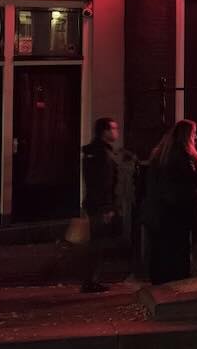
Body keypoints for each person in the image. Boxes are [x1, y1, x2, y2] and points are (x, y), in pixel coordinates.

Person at [143, 119, 197, 285]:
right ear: (187, 136)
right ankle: (177, 281)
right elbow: (186, 183)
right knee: (178, 249)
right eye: (193, 134)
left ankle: (159, 279)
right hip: (177, 212)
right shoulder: (182, 156)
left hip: (159, 211)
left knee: (160, 248)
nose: (196, 137)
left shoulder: (161, 154)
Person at [80, 117, 120, 293]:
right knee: (98, 243)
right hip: (100, 204)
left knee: (96, 241)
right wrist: (107, 207)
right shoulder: (103, 154)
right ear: (105, 131)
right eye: (113, 128)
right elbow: (104, 182)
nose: (116, 132)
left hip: (93, 202)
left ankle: (91, 279)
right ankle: (91, 280)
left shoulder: (93, 152)